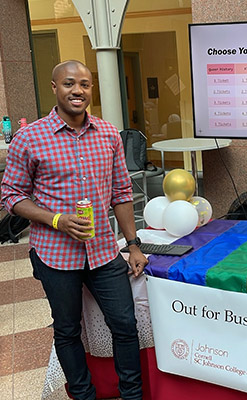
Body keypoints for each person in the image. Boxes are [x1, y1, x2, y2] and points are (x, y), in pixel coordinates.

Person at [0, 60, 147, 400]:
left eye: (85, 84)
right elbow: (11, 196)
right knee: (67, 331)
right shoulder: (30, 137)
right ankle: (83, 395)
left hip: (103, 252)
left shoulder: (109, 134)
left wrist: (134, 244)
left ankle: (132, 395)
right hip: (55, 255)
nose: (78, 90)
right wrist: (57, 220)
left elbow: (121, 193)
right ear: (54, 87)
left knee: (125, 326)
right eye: (69, 83)